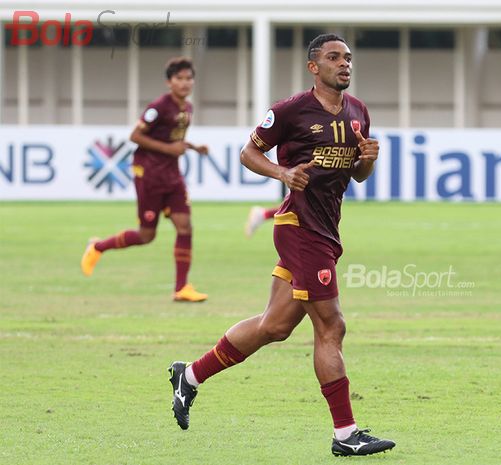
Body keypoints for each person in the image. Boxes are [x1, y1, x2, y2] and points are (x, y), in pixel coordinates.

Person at [168, 34, 396, 456]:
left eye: (347, 58)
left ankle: (191, 376)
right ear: (314, 67)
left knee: (275, 326)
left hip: (326, 229)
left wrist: (368, 158)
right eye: (333, 57)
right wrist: (282, 174)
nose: (344, 64)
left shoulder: (359, 111)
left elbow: (359, 176)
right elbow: (247, 153)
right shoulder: (290, 111)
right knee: (332, 326)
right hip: (299, 228)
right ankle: (345, 435)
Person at [81, 57, 209, 302]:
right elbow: (135, 136)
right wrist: (170, 150)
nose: (185, 83)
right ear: (169, 82)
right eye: (179, 79)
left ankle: (181, 288)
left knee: (185, 227)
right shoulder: (159, 107)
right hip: (149, 174)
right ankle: (98, 246)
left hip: (172, 176)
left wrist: (193, 147)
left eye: (189, 78)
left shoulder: (187, 108)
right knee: (146, 235)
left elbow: (173, 140)